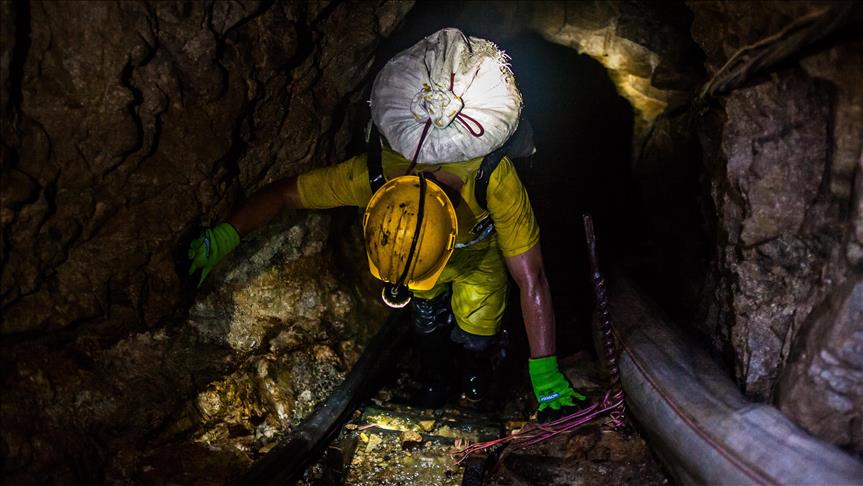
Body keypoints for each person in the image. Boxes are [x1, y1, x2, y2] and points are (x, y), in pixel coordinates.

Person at [187, 28, 587, 420]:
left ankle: (475, 378)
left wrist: (545, 371)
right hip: (418, 269)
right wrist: (224, 235)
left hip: (478, 264)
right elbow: (284, 194)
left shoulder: (492, 178)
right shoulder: (375, 173)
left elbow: (531, 277)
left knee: (477, 332)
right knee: (426, 320)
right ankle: (434, 379)